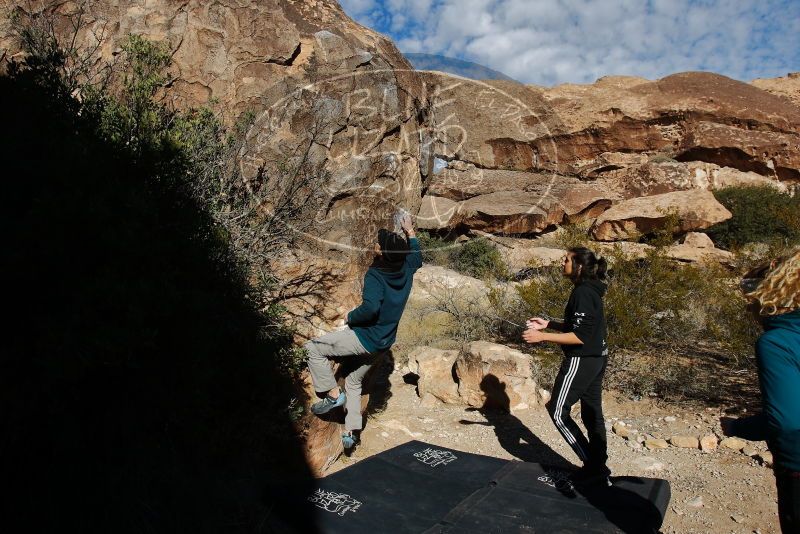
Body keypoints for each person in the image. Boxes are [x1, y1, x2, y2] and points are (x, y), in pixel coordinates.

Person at [305, 213, 422, 450]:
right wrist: (410, 232)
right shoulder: (406, 269)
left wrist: (350, 316)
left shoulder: (376, 275)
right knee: (355, 382)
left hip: (365, 338)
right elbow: (417, 258)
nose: (375, 245)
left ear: (382, 253)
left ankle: (333, 395)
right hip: (384, 341)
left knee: (313, 349)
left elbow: (370, 308)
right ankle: (350, 433)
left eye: (378, 244)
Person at [721, 249, 800, 533]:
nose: (747, 308)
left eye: (750, 299)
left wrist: (740, 427)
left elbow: (788, 422)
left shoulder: (777, 342)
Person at [522, 247, 611, 486]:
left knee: (558, 411)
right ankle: (599, 464)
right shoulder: (590, 290)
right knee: (592, 414)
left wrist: (542, 337)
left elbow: (580, 336)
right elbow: (582, 327)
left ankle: (593, 467)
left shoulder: (583, 292)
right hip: (596, 358)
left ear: (579, 266)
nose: (562, 263)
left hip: (581, 359)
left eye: (567, 260)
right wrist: (548, 324)